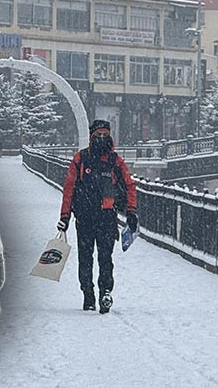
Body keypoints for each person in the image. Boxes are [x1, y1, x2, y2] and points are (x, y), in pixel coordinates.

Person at [56, 118, 138, 313]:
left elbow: (129, 185)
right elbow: (69, 188)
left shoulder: (115, 161)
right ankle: (88, 294)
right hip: (85, 218)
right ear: (92, 137)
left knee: (105, 257)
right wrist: (65, 216)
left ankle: (105, 292)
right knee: (86, 258)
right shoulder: (81, 159)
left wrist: (131, 210)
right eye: (98, 135)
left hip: (106, 217)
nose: (101, 139)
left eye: (105, 135)